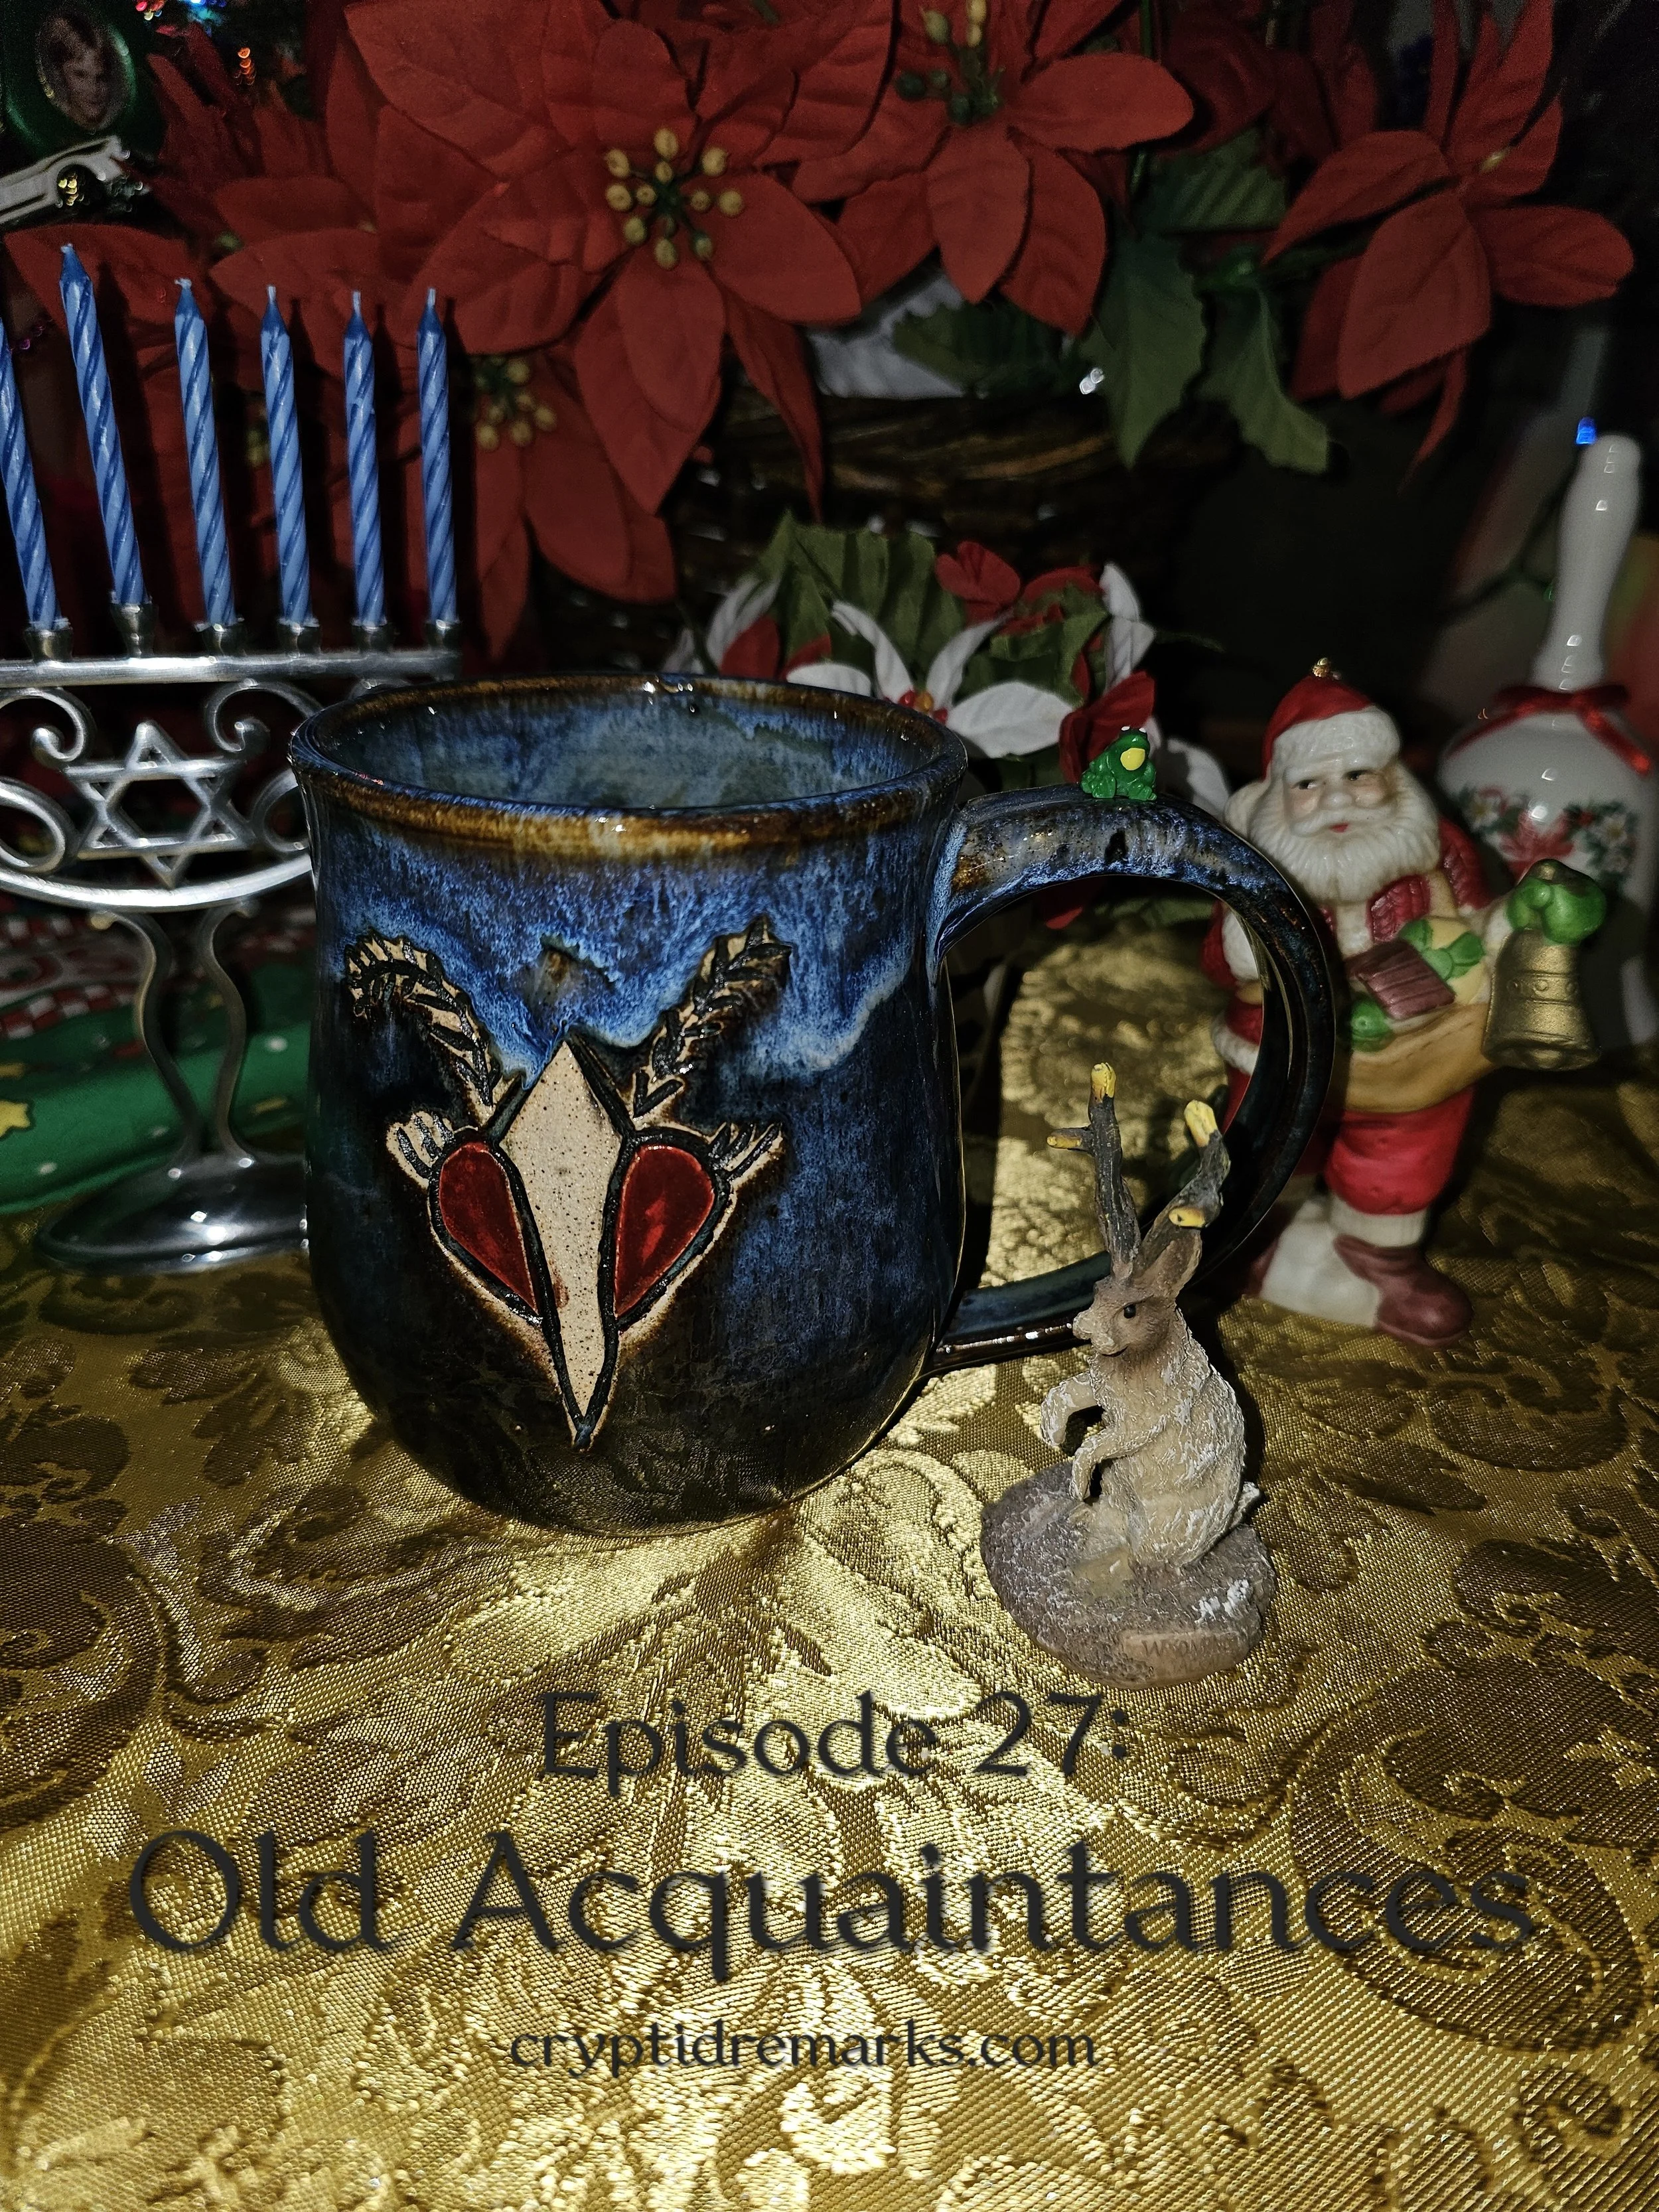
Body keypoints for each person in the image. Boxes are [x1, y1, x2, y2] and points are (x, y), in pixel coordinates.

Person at [1203, 662, 1506, 1346]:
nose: (1338, 799)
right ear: (1278, 793)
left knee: (1406, 1147)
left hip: (1413, 1052)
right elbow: (1222, 962)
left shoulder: (1436, 851)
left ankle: (1380, 1257)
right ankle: (1253, 1230)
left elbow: (1477, 923)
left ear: (1392, 778)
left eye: (1358, 776)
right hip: (1282, 1052)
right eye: (1309, 785)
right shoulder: (1255, 861)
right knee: (1268, 1141)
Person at [37, 9, 121, 135]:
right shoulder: (49, 132)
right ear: (60, 74)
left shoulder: (120, 129)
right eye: (80, 75)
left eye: (101, 78)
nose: (94, 90)